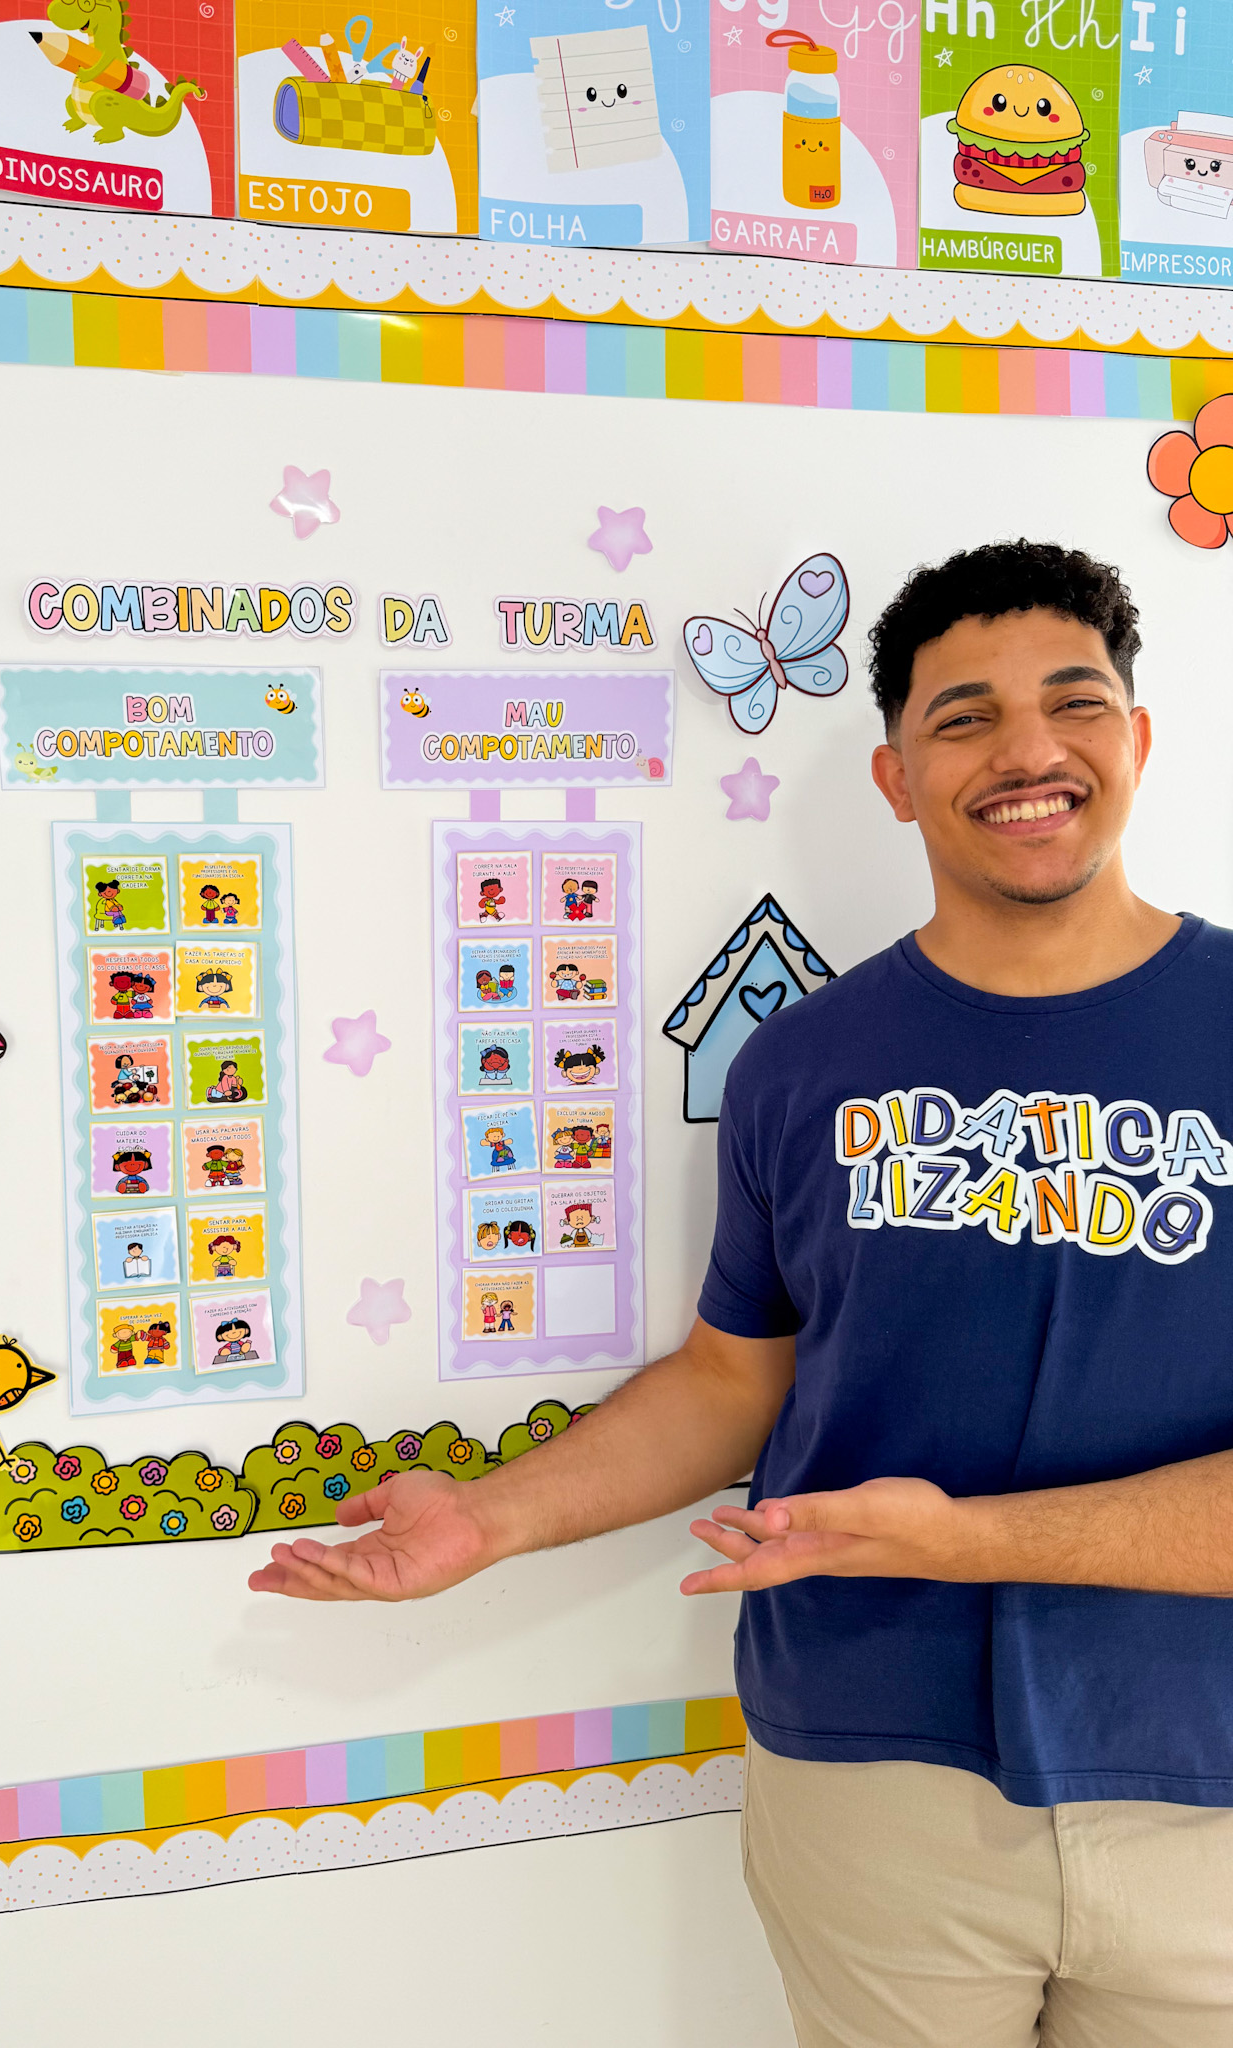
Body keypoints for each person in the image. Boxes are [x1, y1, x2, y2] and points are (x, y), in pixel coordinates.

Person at [251, 542, 1233, 2045]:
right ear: (897, 777)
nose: (1028, 751)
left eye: (1074, 703)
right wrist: (488, 1520)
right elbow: (733, 1378)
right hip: (874, 1781)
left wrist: (967, 1541)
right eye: (964, 717)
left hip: (1206, 1781)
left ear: (1140, 740)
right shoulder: (802, 1064)